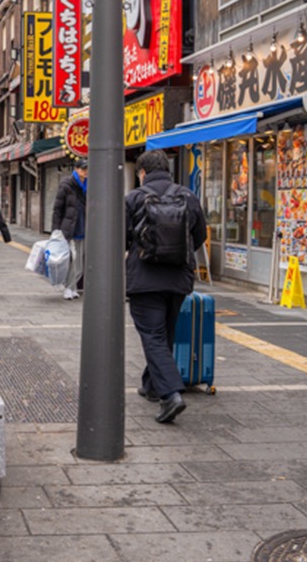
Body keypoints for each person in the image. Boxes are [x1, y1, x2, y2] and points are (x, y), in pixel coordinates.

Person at [125, 149, 207, 425]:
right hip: (178, 280)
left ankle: (171, 394)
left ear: (143, 173)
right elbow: (200, 235)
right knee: (165, 333)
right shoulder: (188, 196)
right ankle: (151, 386)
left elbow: (121, 237)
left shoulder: (134, 198)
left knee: (152, 335)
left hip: (145, 279)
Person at [51, 159, 88, 300]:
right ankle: (68, 287)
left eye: (87, 168)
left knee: (80, 262)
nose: (86, 171)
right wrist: (55, 230)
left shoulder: (89, 184)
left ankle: (72, 286)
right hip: (69, 228)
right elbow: (57, 209)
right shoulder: (66, 185)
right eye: (83, 169)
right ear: (76, 169)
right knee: (71, 259)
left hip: (84, 226)